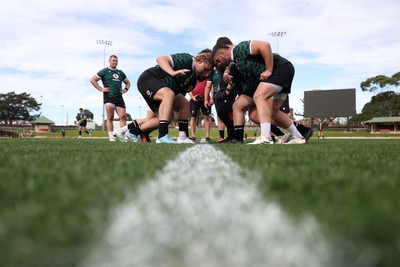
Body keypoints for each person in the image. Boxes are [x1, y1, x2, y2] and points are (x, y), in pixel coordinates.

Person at [212, 38, 306, 145]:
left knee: (259, 96)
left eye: (218, 60)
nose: (219, 64)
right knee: (273, 111)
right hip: (285, 69)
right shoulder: (236, 61)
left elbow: (265, 45)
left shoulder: (239, 49)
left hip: (279, 68)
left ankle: (266, 138)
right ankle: (298, 136)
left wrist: (269, 70)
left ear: (223, 53)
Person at [125, 49, 214, 144]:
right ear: (201, 61)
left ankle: (132, 132)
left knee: (183, 106)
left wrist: (169, 108)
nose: (207, 74)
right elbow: (161, 59)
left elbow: (180, 95)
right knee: (168, 94)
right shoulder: (188, 59)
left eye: (209, 72)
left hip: (163, 89)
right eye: (206, 69)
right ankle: (162, 136)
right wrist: (172, 72)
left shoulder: (193, 80)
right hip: (149, 79)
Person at [90, 55, 131, 141]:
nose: (115, 62)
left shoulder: (120, 72)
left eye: (116, 61)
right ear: (109, 61)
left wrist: (125, 89)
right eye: (113, 60)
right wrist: (101, 89)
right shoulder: (104, 71)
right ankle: (111, 136)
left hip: (119, 97)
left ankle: (122, 135)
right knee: (110, 117)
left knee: (123, 117)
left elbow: (128, 83)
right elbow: (93, 80)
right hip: (109, 97)